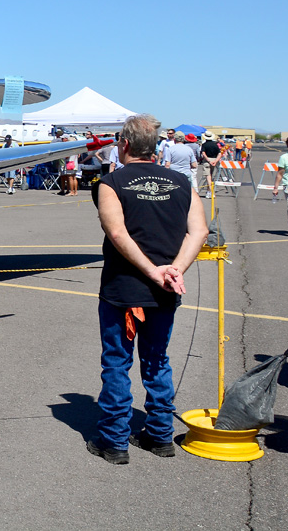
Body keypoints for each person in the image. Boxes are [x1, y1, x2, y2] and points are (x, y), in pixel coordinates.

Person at [86, 114, 208, 464]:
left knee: (116, 363)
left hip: (124, 288)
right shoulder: (183, 183)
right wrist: (173, 271)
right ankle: (159, 435)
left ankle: (114, 440)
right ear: (155, 147)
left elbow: (118, 233)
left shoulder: (111, 183)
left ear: (123, 144)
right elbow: (198, 232)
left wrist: (154, 272)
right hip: (165, 289)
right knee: (156, 361)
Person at [199, 131, 222, 196]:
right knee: (211, 177)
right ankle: (209, 191)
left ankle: (211, 192)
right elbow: (219, 154)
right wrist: (216, 161)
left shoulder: (204, 145)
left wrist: (208, 161)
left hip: (207, 161)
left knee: (208, 177)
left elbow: (203, 153)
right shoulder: (215, 145)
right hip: (214, 160)